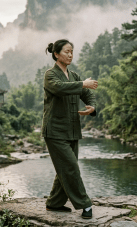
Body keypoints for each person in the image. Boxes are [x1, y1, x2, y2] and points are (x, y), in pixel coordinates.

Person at [42, 39, 98, 219]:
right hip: (55, 131)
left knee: (65, 168)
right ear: (56, 54)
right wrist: (83, 84)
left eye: (72, 51)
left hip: (72, 130)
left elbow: (87, 93)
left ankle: (54, 203)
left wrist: (92, 106)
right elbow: (60, 89)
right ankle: (85, 204)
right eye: (67, 51)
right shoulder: (50, 75)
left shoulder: (74, 76)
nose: (70, 55)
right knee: (71, 167)